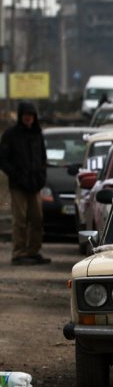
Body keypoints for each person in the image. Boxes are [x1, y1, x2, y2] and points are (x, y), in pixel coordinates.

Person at [0, 101, 50, 265]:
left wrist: (42, 177)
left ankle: (33, 251)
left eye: (31, 115)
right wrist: (17, 176)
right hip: (18, 185)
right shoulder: (11, 135)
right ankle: (19, 252)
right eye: (26, 115)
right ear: (21, 116)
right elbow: (3, 160)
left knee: (37, 219)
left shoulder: (37, 134)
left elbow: (43, 158)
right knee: (20, 220)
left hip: (35, 184)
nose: (28, 118)